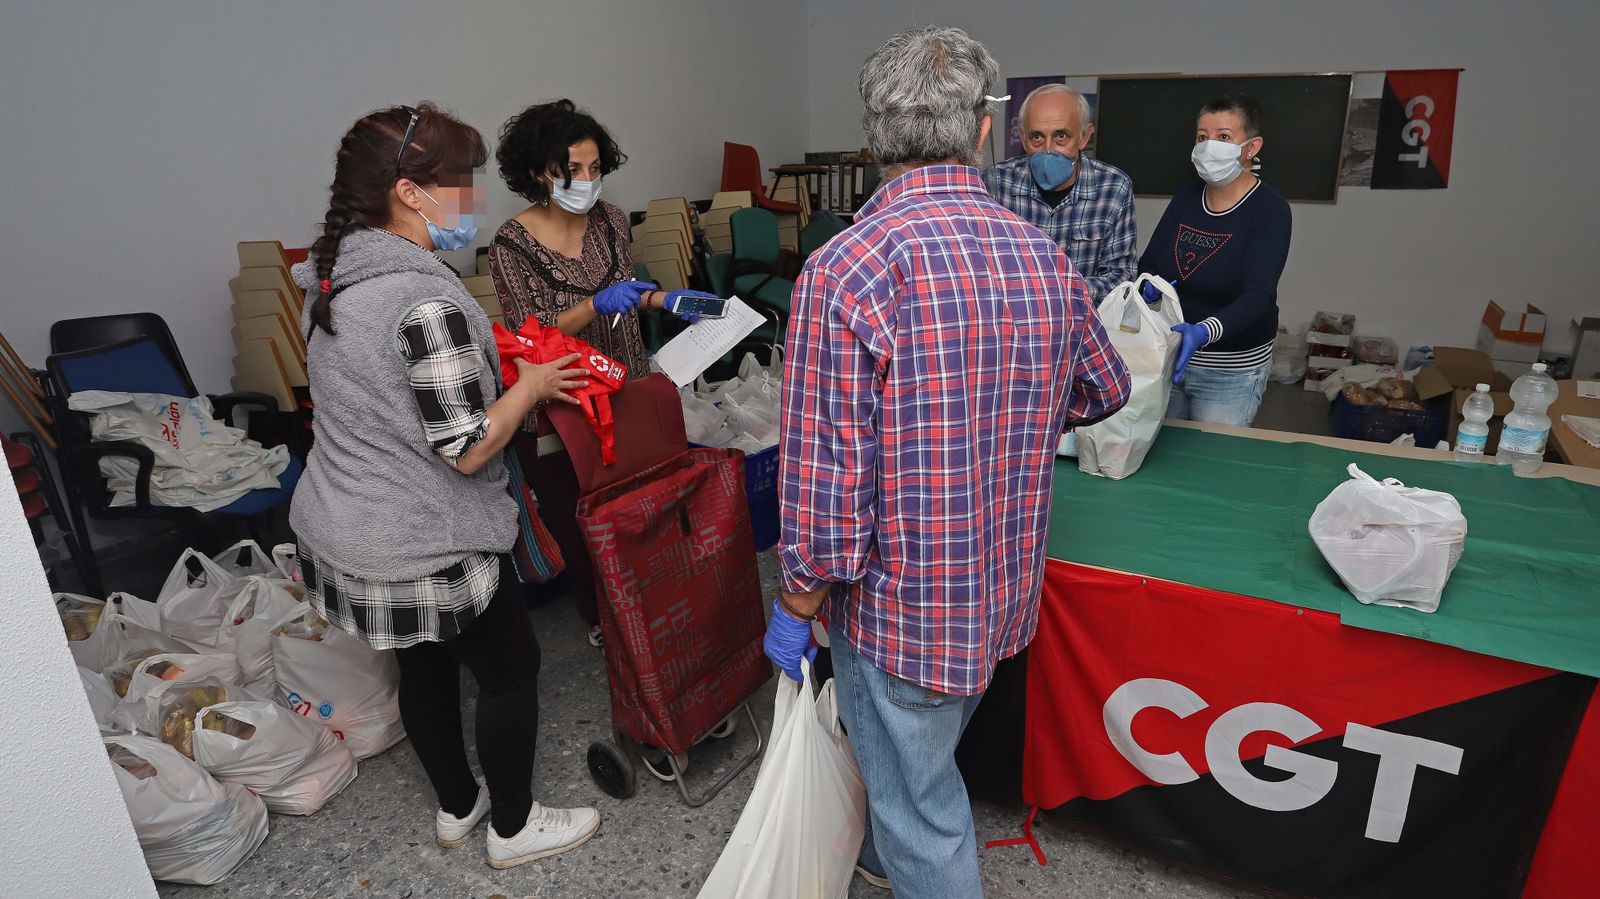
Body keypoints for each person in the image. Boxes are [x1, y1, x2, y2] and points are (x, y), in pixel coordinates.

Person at [764, 27, 1131, 898]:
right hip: (999, 592)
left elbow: (828, 475)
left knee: (924, 810)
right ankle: (888, 851)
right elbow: (1107, 385)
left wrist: (798, 596)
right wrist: (1013, 413)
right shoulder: (1043, 256)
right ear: (984, 133)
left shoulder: (846, 267)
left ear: (873, 137)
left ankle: (909, 857)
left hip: (903, 609)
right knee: (919, 772)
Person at [289, 102, 601, 870]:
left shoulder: (331, 282)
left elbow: (383, 402)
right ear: (409, 192)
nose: (472, 196)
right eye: (460, 179)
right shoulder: (423, 300)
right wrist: (530, 386)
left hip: (345, 526)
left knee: (422, 663)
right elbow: (467, 447)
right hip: (423, 537)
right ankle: (514, 827)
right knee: (510, 668)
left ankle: (459, 806)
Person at [487, 99, 713, 650]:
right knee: (583, 521)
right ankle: (604, 619)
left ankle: (655, 600)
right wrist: (594, 304)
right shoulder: (511, 244)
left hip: (626, 383)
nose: (586, 181)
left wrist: (664, 299)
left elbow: (625, 295)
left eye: (594, 168)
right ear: (538, 172)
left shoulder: (610, 220)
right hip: (563, 402)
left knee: (643, 503)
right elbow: (529, 336)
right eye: (571, 171)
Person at [1140, 93, 1292, 426]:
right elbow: (1150, 263)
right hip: (1171, 354)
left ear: (1251, 148)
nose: (1210, 146)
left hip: (1230, 372)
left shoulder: (1270, 210)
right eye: (1202, 137)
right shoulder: (1187, 195)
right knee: (1160, 446)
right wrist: (1148, 286)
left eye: (1223, 136)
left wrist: (1204, 332)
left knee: (1211, 453)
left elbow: (1259, 296)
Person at [984, 83, 1136, 304]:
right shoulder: (996, 183)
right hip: (1014, 318)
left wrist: (1061, 290)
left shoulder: (1114, 187)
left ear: (1084, 137)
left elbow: (1122, 277)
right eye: (1037, 137)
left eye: (1061, 136)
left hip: (1080, 320)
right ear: (1023, 139)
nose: (1048, 149)